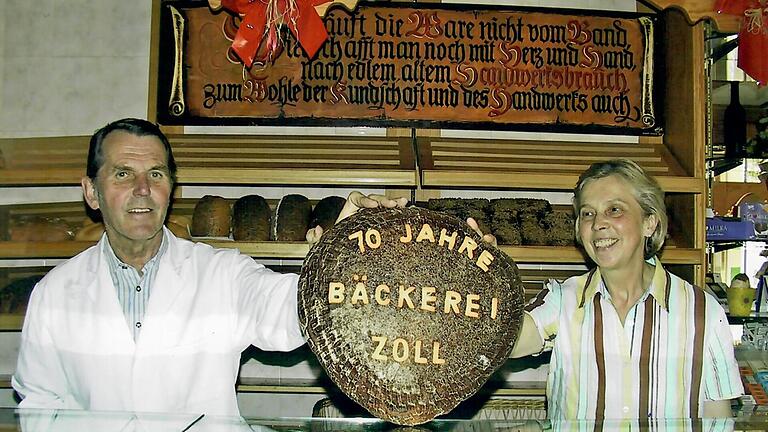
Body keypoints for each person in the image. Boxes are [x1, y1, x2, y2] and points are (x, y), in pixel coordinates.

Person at [11, 118, 406, 416]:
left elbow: (289, 312)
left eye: (156, 174)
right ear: (92, 193)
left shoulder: (222, 274)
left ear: (171, 189)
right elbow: (40, 402)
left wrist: (340, 256)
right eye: (122, 174)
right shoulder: (56, 292)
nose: (142, 189)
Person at [474, 158, 743, 420]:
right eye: (588, 213)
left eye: (614, 209)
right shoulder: (562, 300)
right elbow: (503, 340)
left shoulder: (703, 312)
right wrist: (486, 284)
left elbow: (718, 420)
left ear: (650, 222)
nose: (598, 223)